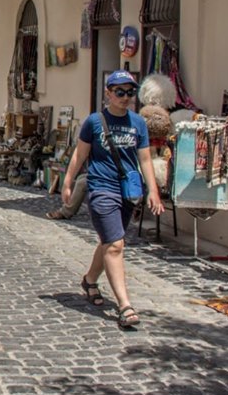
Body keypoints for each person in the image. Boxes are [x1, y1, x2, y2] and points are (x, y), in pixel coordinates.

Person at [61, 70, 163, 328]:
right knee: (116, 244)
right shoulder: (94, 122)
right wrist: (68, 181)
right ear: (108, 93)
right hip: (101, 187)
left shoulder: (138, 123)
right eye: (119, 92)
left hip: (128, 190)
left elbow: (145, 159)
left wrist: (153, 190)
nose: (125, 97)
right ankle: (125, 305)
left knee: (110, 241)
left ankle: (90, 280)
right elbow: (79, 154)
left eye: (130, 92)